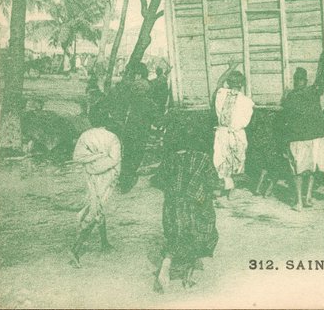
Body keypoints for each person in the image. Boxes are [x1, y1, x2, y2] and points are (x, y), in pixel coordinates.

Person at [152, 116, 221, 292]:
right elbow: (214, 185)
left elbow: (158, 181)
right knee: (199, 238)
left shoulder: (169, 159)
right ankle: (187, 278)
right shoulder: (202, 158)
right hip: (197, 208)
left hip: (172, 208)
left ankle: (166, 265)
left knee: (176, 238)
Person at [69, 104, 121, 267]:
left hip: (90, 175)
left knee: (97, 206)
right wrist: (102, 160)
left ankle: (104, 242)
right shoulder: (112, 137)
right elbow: (114, 159)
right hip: (106, 176)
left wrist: (93, 162)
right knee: (96, 210)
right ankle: (75, 248)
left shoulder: (85, 136)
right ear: (108, 119)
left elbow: (77, 157)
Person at [281, 48, 324, 211]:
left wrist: (323, 61)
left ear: (303, 80)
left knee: (300, 170)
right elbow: (323, 80)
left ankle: (302, 199)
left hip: (302, 138)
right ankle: (304, 198)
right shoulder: (310, 92)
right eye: (297, 79)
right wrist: (323, 61)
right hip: (312, 136)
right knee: (307, 169)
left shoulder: (292, 96)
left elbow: (322, 80)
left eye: (300, 79)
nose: (298, 82)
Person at [104, 62, 158, 193]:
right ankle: (127, 181)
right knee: (136, 156)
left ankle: (124, 180)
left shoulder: (129, 100)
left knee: (127, 155)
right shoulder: (149, 103)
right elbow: (156, 120)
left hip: (128, 131)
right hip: (141, 133)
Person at [213, 62, 254, 200]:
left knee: (222, 160)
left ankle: (224, 187)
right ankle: (232, 191)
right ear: (241, 85)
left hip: (223, 133)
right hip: (237, 134)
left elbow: (219, 82)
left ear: (229, 83)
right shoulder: (246, 100)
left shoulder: (221, 93)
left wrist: (230, 68)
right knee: (237, 161)